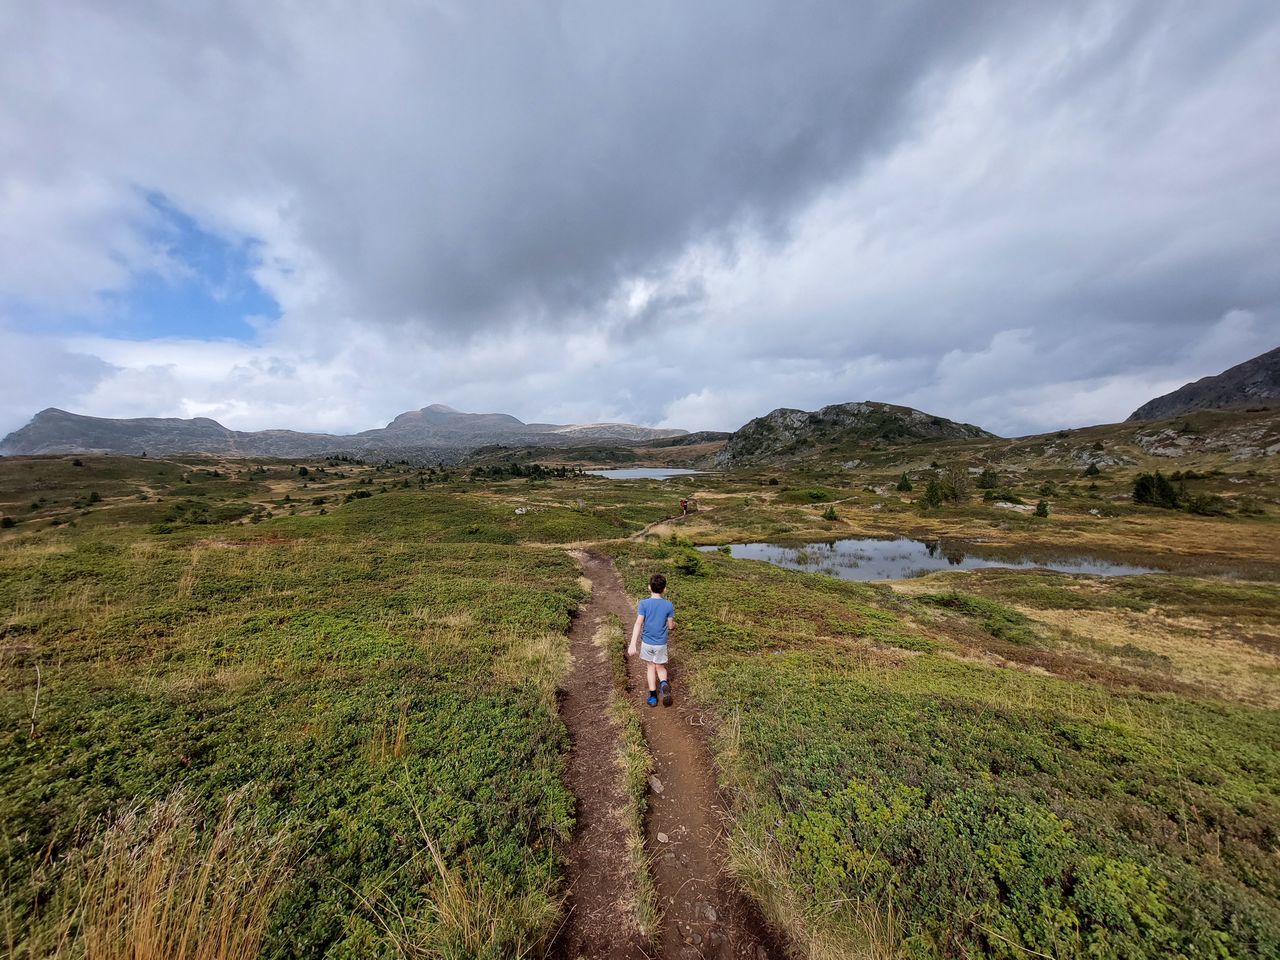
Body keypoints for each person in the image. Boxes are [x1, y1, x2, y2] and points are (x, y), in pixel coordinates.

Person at [628, 572, 675, 707]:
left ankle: (653, 697)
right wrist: (674, 625)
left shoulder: (643, 604)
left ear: (649, 587)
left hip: (647, 643)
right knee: (660, 667)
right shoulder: (668, 605)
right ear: (664, 589)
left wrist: (632, 644)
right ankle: (664, 684)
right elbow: (671, 626)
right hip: (661, 644)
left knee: (650, 668)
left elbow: (638, 623)